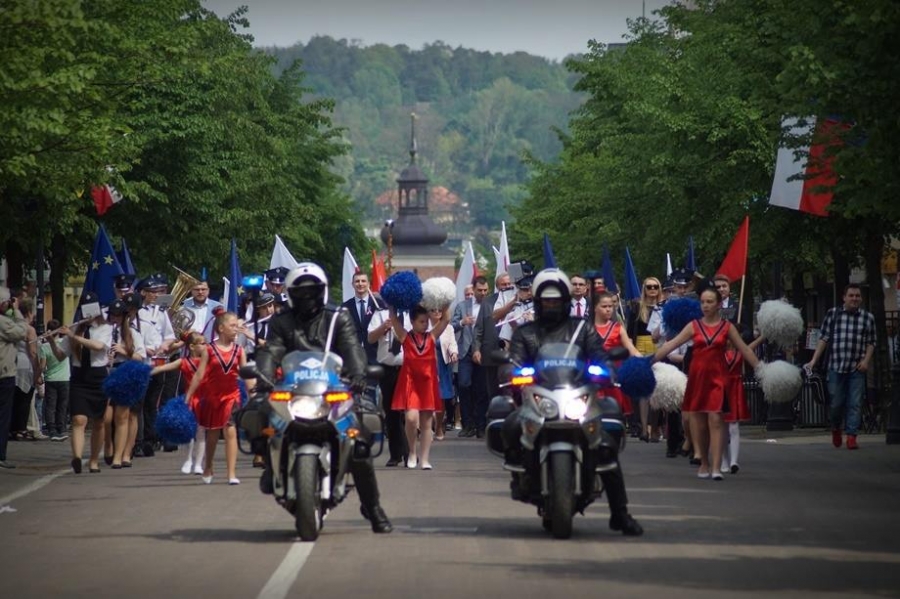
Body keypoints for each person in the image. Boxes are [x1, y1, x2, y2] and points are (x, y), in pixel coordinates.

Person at [503, 268, 643, 536]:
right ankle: (522, 473)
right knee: (509, 426)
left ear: (566, 300)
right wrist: (513, 372)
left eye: (556, 300)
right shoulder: (526, 332)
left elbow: (600, 356)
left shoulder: (582, 328)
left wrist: (605, 370)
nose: (552, 305)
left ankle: (620, 514)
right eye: (547, 301)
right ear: (538, 302)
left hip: (576, 396)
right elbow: (513, 361)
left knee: (606, 446)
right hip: (539, 399)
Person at [256, 262, 393, 533]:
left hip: (331, 390)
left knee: (358, 443)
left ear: (323, 291)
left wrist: (359, 374)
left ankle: (372, 506)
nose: (307, 296)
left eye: (312, 291)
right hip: (294, 389)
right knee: (259, 412)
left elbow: (352, 348)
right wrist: (263, 375)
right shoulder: (281, 320)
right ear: (290, 293)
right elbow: (271, 351)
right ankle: (270, 466)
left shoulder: (338, 317)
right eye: (301, 291)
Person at [653, 287, 761, 479]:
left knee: (716, 420)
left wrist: (763, 370)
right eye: (703, 302)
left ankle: (717, 467)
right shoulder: (693, 326)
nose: (705, 305)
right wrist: (647, 362)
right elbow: (671, 344)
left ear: (719, 304)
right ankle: (704, 462)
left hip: (718, 379)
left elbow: (745, 350)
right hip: (697, 379)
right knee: (700, 424)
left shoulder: (727, 327)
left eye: (710, 301)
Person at [804, 283, 876, 450]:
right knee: (836, 403)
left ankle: (851, 436)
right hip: (835, 366)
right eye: (851, 295)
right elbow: (823, 338)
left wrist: (866, 361)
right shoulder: (833, 314)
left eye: (857, 296)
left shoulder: (868, 318)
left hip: (856, 368)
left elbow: (871, 342)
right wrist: (813, 361)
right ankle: (836, 428)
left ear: (861, 298)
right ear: (844, 297)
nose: (854, 298)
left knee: (855, 403)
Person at [389, 304, 451, 469]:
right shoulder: (405, 336)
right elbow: (393, 319)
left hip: (427, 383)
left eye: (426, 322)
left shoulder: (431, 336)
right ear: (412, 321)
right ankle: (412, 451)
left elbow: (446, 319)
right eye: (421, 322)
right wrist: (391, 304)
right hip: (410, 383)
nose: (425, 325)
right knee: (411, 418)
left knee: (426, 423)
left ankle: (425, 459)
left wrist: (444, 301)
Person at [194, 311, 246, 485]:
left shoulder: (239, 350)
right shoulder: (209, 350)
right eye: (232, 325)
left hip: (232, 396)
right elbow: (200, 374)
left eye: (237, 326)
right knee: (213, 434)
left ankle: (231, 473)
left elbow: (246, 374)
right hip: (213, 397)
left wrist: (253, 392)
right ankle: (208, 465)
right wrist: (189, 396)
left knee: (230, 430)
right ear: (221, 328)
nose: (236, 329)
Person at [64, 293, 113, 474]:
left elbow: (98, 346)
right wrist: (53, 341)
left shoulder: (106, 328)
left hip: (98, 376)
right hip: (79, 377)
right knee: (79, 419)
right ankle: (77, 457)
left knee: (99, 421)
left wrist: (74, 337)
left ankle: (93, 460)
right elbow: (61, 355)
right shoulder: (75, 328)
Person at [151, 331, 209, 475]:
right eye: (202, 344)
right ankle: (188, 459)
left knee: (201, 432)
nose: (206, 346)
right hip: (190, 400)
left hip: (204, 400)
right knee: (189, 432)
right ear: (192, 346)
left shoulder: (208, 361)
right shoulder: (183, 362)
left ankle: (198, 464)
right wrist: (146, 371)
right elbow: (163, 368)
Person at [368, 298, 410, 466]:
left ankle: (410, 452)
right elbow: (370, 338)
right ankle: (396, 454)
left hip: (407, 368)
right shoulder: (380, 314)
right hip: (387, 369)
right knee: (391, 412)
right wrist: (383, 327)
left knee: (408, 412)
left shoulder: (411, 314)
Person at [472, 272, 515, 437]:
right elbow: (479, 328)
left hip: (512, 355)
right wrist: (476, 349)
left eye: (509, 283)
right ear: (497, 286)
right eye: (503, 284)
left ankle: (510, 427)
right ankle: (493, 428)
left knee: (510, 391)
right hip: (491, 353)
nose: (507, 286)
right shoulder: (488, 302)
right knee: (492, 392)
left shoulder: (519, 300)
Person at [451, 277, 489, 438]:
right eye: (480, 290)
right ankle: (467, 424)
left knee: (481, 390)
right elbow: (451, 326)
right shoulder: (462, 306)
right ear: (473, 289)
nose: (483, 293)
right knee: (464, 385)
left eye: (485, 290)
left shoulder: (490, 305)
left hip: (483, 352)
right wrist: (462, 322)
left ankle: (481, 426)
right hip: (465, 351)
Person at [593, 292, 641, 416]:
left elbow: (631, 349)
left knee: (616, 411)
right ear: (595, 307)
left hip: (613, 375)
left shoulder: (617, 327)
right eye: (604, 306)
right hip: (592, 376)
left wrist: (645, 362)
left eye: (610, 306)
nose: (608, 309)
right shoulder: (587, 328)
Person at [0, 288, 28, 469]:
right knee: (3, 416)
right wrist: (16, 310)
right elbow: (21, 331)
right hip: (4, 374)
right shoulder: (3, 322)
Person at [11, 298, 41, 441]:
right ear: (29, 312)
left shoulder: (13, 326)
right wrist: (37, 371)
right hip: (25, 365)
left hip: (12, 362)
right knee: (25, 399)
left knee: (13, 398)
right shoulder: (29, 329)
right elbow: (33, 352)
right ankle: (20, 429)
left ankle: (11, 428)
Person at [39, 319, 71, 442]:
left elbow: (42, 366)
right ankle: (61, 428)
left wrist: (39, 375)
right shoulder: (64, 343)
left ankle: (51, 429)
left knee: (50, 405)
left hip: (50, 379)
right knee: (62, 405)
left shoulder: (44, 347)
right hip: (64, 378)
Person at [429, 306, 458, 441]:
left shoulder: (448, 327)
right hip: (426, 364)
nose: (436, 312)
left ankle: (439, 426)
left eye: (439, 310)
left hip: (443, 365)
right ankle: (427, 426)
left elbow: (452, 343)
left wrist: (453, 353)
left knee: (441, 398)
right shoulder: (423, 325)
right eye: (433, 310)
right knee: (427, 396)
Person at [342, 271, 378, 364]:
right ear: (352, 284)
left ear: (368, 284)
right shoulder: (345, 307)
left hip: (375, 356)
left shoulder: (378, 305)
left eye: (363, 281)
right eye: (357, 281)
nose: (360, 284)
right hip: (353, 356)